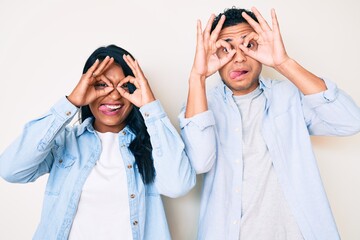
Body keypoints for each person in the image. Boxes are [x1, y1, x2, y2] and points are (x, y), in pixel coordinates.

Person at [179, 6, 360, 240]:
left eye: (249, 45)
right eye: (226, 49)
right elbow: (200, 162)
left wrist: (283, 62)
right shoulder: (200, 103)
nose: (239, 57)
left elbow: (350, 121)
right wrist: (198, 76)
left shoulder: (290, 96)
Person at [0, 44, 196, 240]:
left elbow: (178, 186)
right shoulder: (65, 141)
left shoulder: (154, 144)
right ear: (86, 86)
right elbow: (11, 169)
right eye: (102, 84)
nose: (114, 94)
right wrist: (72, 102)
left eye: (124, 85)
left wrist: (150, 106)